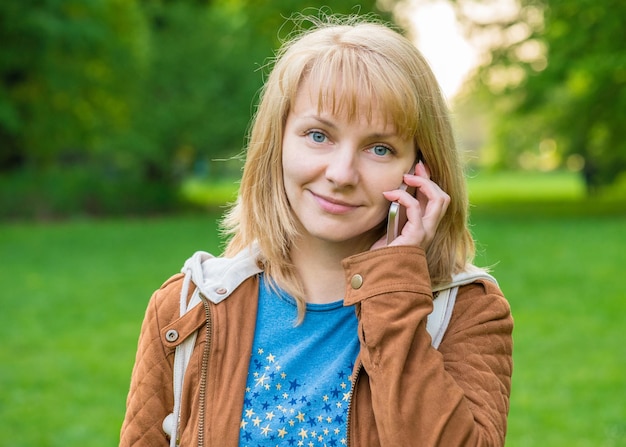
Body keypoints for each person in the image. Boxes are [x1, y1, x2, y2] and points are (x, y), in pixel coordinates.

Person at [120, 13, 513, 447]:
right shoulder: (187, 308)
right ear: (278, 141)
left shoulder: (466, 312)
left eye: (379, 148)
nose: (342, 173)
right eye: (318, 135)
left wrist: (395, 293)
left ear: (421, 172)